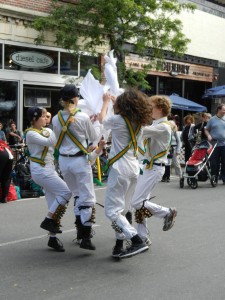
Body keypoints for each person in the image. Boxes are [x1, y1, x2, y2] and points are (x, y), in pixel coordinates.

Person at [98, 88, 152, 259]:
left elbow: (101, 119)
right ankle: (120, 245)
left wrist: (106, 101)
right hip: (133, 169)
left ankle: (136, 240)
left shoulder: (117, 120)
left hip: (120, 169)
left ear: (124, 105)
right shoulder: (139, 122)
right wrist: (116, 104)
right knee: (122, 210)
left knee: (113, 212)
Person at [52, 84, 98, 251]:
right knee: (88, 197)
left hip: (64, 162)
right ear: (74, 99)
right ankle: (85, 235)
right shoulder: (83, 117)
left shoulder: (55, 118)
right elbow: (93, 138)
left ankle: (80, 233)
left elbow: (57, 139)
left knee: (77, 195)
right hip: (79, 161)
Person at [131, 95, 177, 246]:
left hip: (154, 168)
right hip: (148, 167)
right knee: (141, 203)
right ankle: (142, 236)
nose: (148, 109)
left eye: (150, 106)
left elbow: (140, 131)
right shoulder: (160, 124)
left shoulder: (162, 127)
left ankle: (167, 212)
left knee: (137, 202)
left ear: (160, 108)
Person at [25, 106, 72, 252]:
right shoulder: (30, 133)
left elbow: (56, 141)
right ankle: (47, 220)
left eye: (47, 116)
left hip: (49, 169)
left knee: (54, 203)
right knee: (66, 192)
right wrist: (56, 126)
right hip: (41, 171)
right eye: (43, 116)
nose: (46, 118)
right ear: (34, 119)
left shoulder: (45, 131)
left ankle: (52, 238)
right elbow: (51, 142)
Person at [205, 104, 225, 184]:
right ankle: (214, 178)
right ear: (219, 110)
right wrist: (209, 135)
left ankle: (224, 178)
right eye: (224, 109)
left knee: (224, 162)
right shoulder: (212, 120)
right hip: (214, 144)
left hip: (224, 144)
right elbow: (206, 130)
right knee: (214, 163)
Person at [161, 116, 182, 181]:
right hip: (167, 148)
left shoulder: (175, 132)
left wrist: (178, 150)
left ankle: (180, 175)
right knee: (167, 162)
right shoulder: (166, 131)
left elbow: (179, 141)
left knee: (175, 162)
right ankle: (166, 176)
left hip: (174, 148)